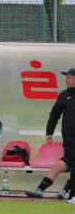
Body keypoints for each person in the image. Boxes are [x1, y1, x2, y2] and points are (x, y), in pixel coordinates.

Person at [44, 67, 75, 204]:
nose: (66, 80)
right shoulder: (63, 95)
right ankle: (73, 196)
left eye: (69, 77)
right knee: (73, 166)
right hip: (69, 139)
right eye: (66, 77)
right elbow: (54, 114)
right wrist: (49, 131)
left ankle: (72, 195)